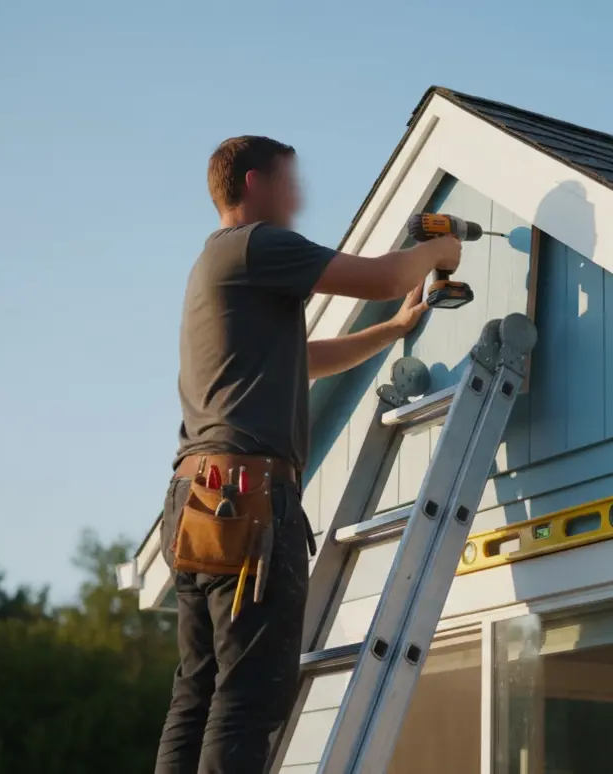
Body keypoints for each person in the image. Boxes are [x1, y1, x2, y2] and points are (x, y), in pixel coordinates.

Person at [153, 135, 461, 774]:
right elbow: (379, 276)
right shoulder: (257, 244)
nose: (301, 197)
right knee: (248, 699)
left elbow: (308, 360)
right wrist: (441, 248)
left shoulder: (218, 268)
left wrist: (392, 331)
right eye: (291, 182)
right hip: (249, 502)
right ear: (255, 183)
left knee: (198, 690)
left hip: (199, 502)